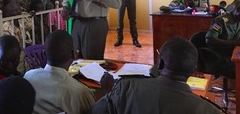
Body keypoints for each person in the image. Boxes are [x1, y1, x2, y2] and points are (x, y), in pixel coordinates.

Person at [91, 37, 222, 114]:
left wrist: (107, 93)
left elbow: (95, 112)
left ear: (160, 63)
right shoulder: (208, 110)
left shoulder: (125, 88)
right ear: (194, 71)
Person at [24, 30, 112, 114]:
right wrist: (106, 94)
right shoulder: (79, 92)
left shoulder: (28, 77)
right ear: (73, 54)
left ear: (44, 53)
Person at [206, 0, 240, 78]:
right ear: (237, 10)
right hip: (219, 56)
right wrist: (234, 42)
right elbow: (210, 40)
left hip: (234, 53)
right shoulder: (221, 20)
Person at [1, 0, 33, 73]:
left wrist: (31, 16)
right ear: (8, 14)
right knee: (19, 69)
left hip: (26, 49)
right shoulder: (6, 26)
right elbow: (13, 44)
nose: (18, 12)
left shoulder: (21, 19)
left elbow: (30, 26)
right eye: (14, 11)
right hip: (16, 52)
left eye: (19, 9)